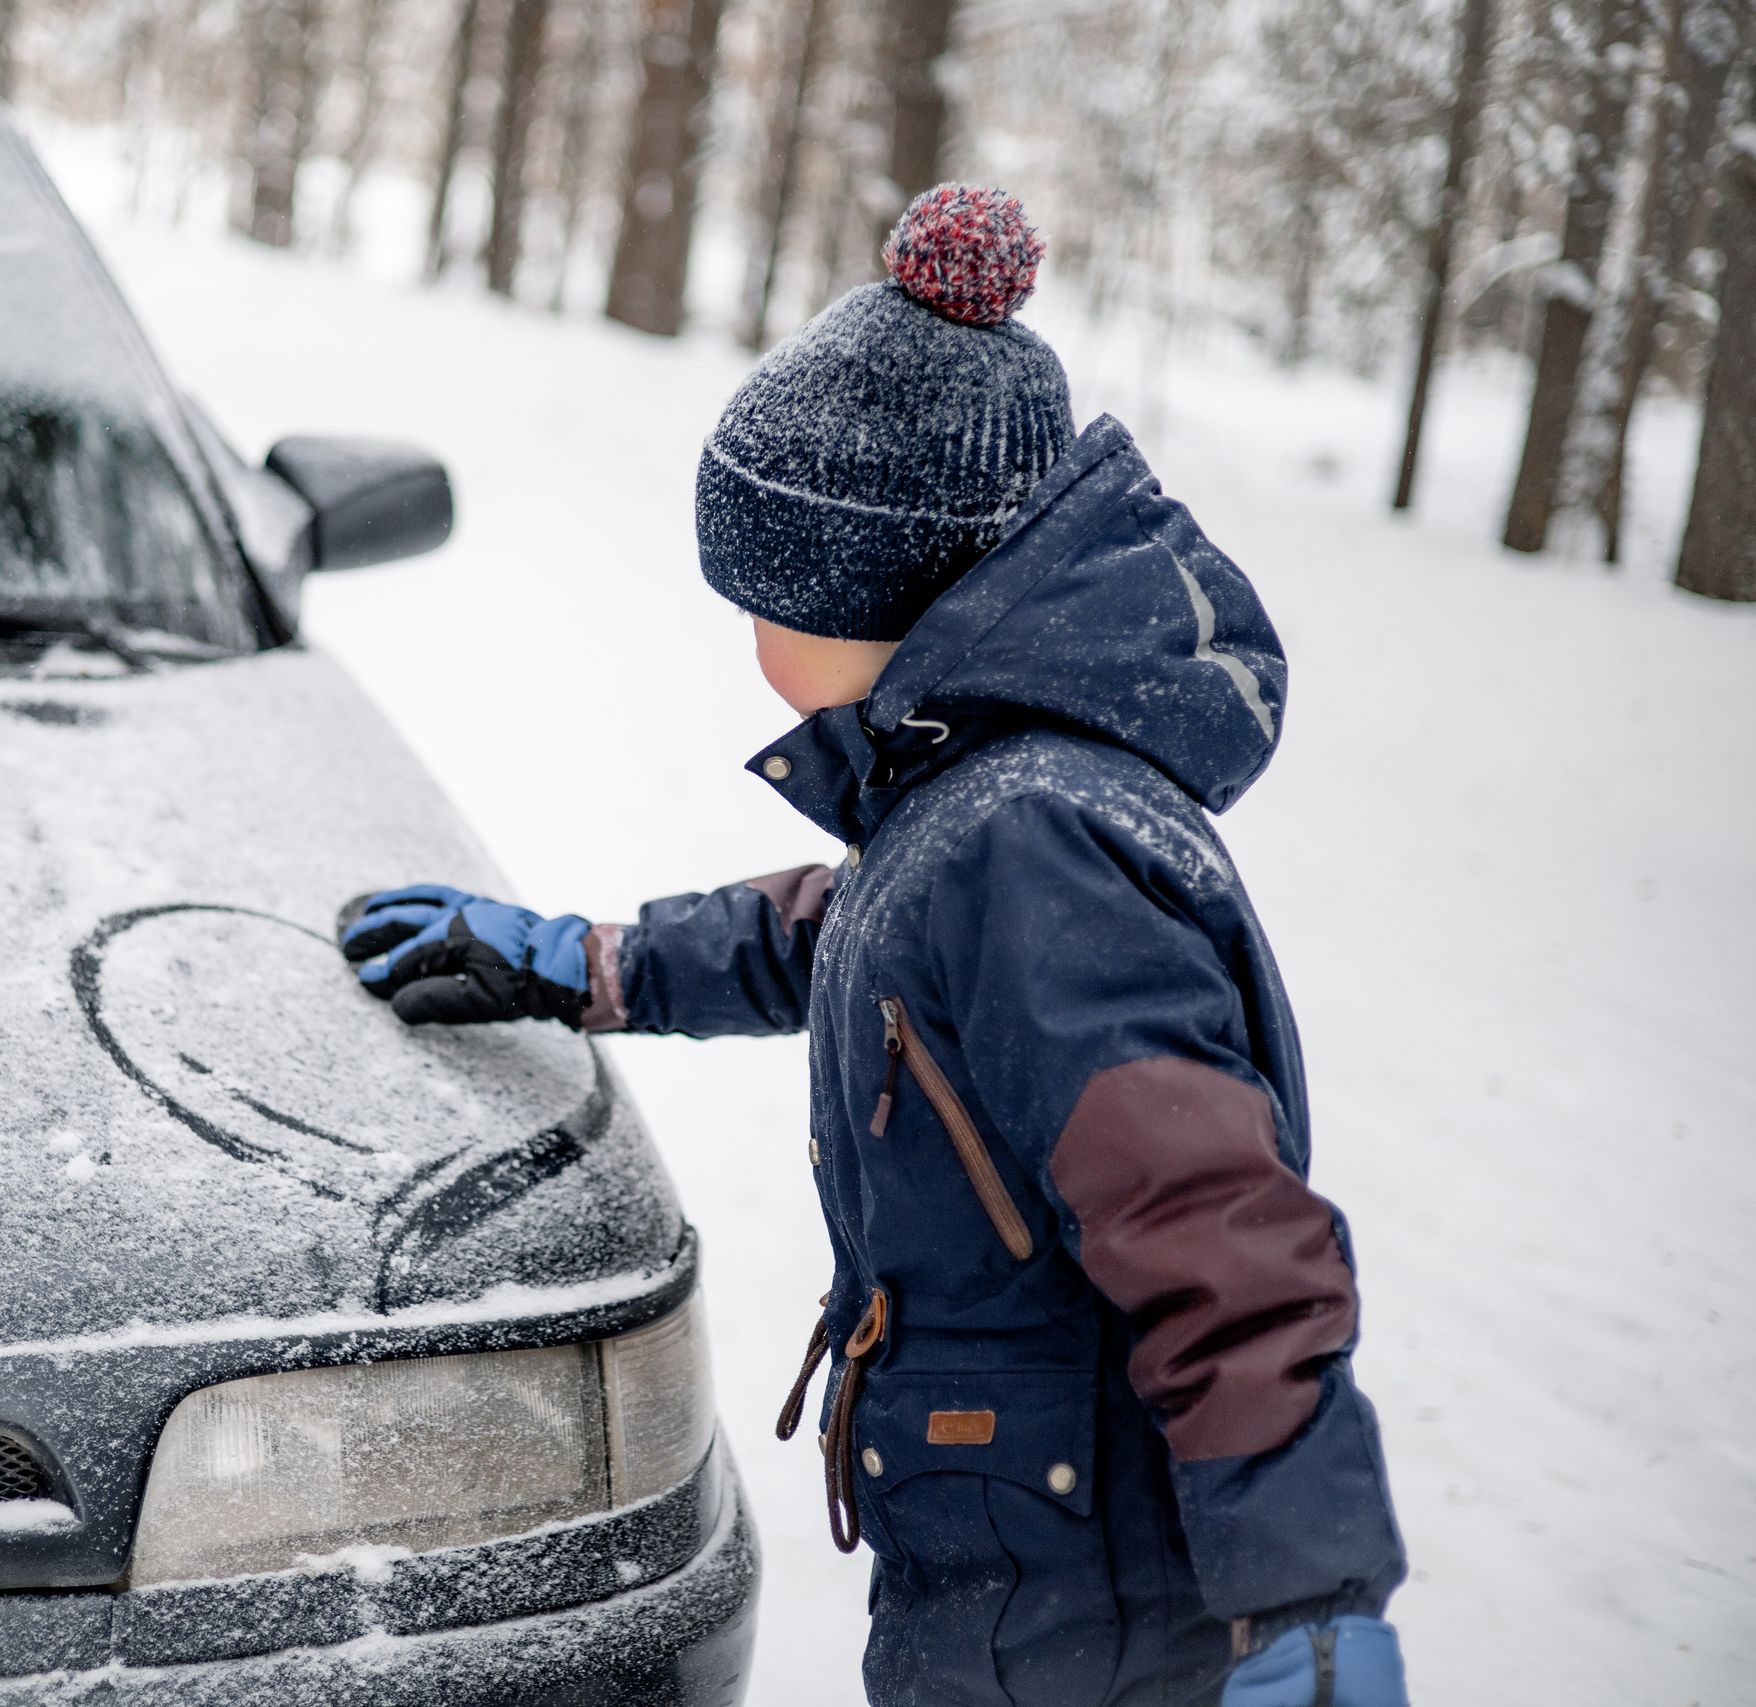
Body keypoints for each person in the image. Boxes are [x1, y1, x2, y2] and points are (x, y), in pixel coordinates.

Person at [334, 185, 1410, 1706]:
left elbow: (1220, 1236)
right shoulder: (979, 799)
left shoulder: (1034, 843)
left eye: (766, 597)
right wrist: (594, 961)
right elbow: (864, 939)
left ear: (881, 587)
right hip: (1005, 1549)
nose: (749, 639)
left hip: (1082, 1606)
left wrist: (1312, 1598)